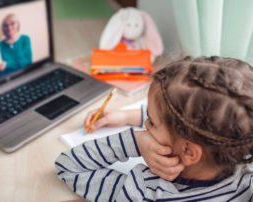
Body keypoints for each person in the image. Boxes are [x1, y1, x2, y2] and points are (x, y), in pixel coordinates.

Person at [55, 56, 253, 201]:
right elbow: (183, 123)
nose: (146, 126)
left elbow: (68, 167)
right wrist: (127, 116)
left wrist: (134, 142)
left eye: (151, 121)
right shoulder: (245, 178)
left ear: (188, 151)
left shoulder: (144, 192)